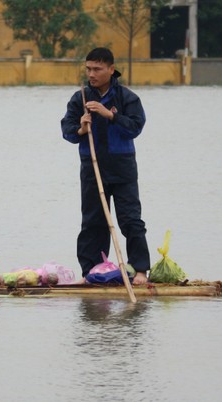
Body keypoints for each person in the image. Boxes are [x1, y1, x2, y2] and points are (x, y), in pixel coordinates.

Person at [60, 47, 150, 285]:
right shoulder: (79, 98)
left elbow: (136, 127)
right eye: (88, 68)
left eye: (97, 69)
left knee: (130, 219)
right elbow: (67, 131)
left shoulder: (127, 98)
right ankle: (91, 273)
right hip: (91, 166)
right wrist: (81, 128)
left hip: (122, 167)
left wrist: (109, 115)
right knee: (93, 222)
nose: (92, 74)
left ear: (111, 69)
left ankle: (140, 271)